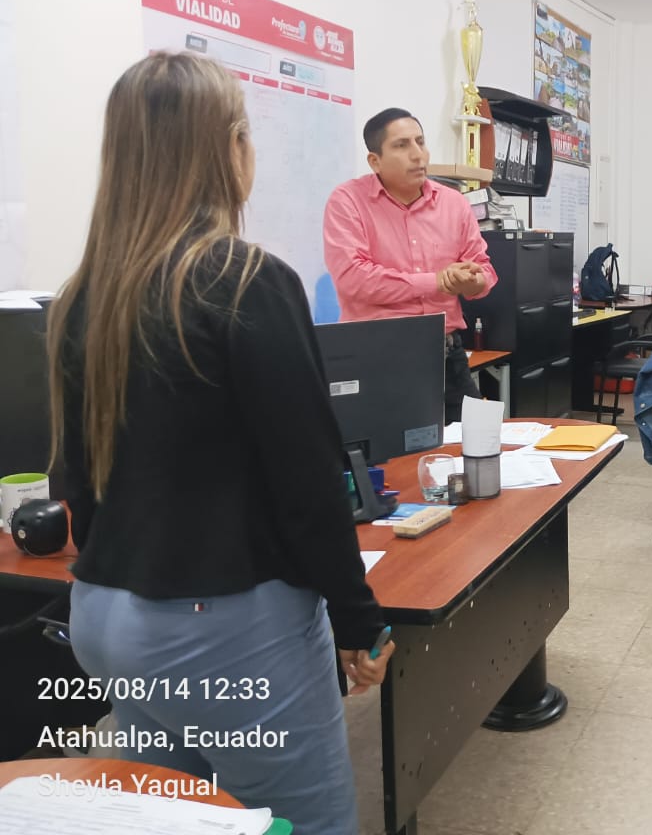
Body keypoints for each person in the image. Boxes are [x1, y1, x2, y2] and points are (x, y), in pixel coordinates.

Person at [47, 53, 395, 835]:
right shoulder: (244, 281)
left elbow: (79, 481)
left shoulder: (84, 295)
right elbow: (309, 481)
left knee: (175, 819)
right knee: (302, 824)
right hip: (223, 631)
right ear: (229, 149)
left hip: (106, 615)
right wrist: (357, 620)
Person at [323, 108, 497, 423]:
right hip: (373, 357)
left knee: (474, 441)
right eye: (402, 145)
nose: (418, 154)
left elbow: (484, 271)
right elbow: (354, 279)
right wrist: (436, 282)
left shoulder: (454, 203)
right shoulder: (348, 201)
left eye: (420, 141)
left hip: (444, 355)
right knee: (383, 449)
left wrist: (473, 282)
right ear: (375, 161)